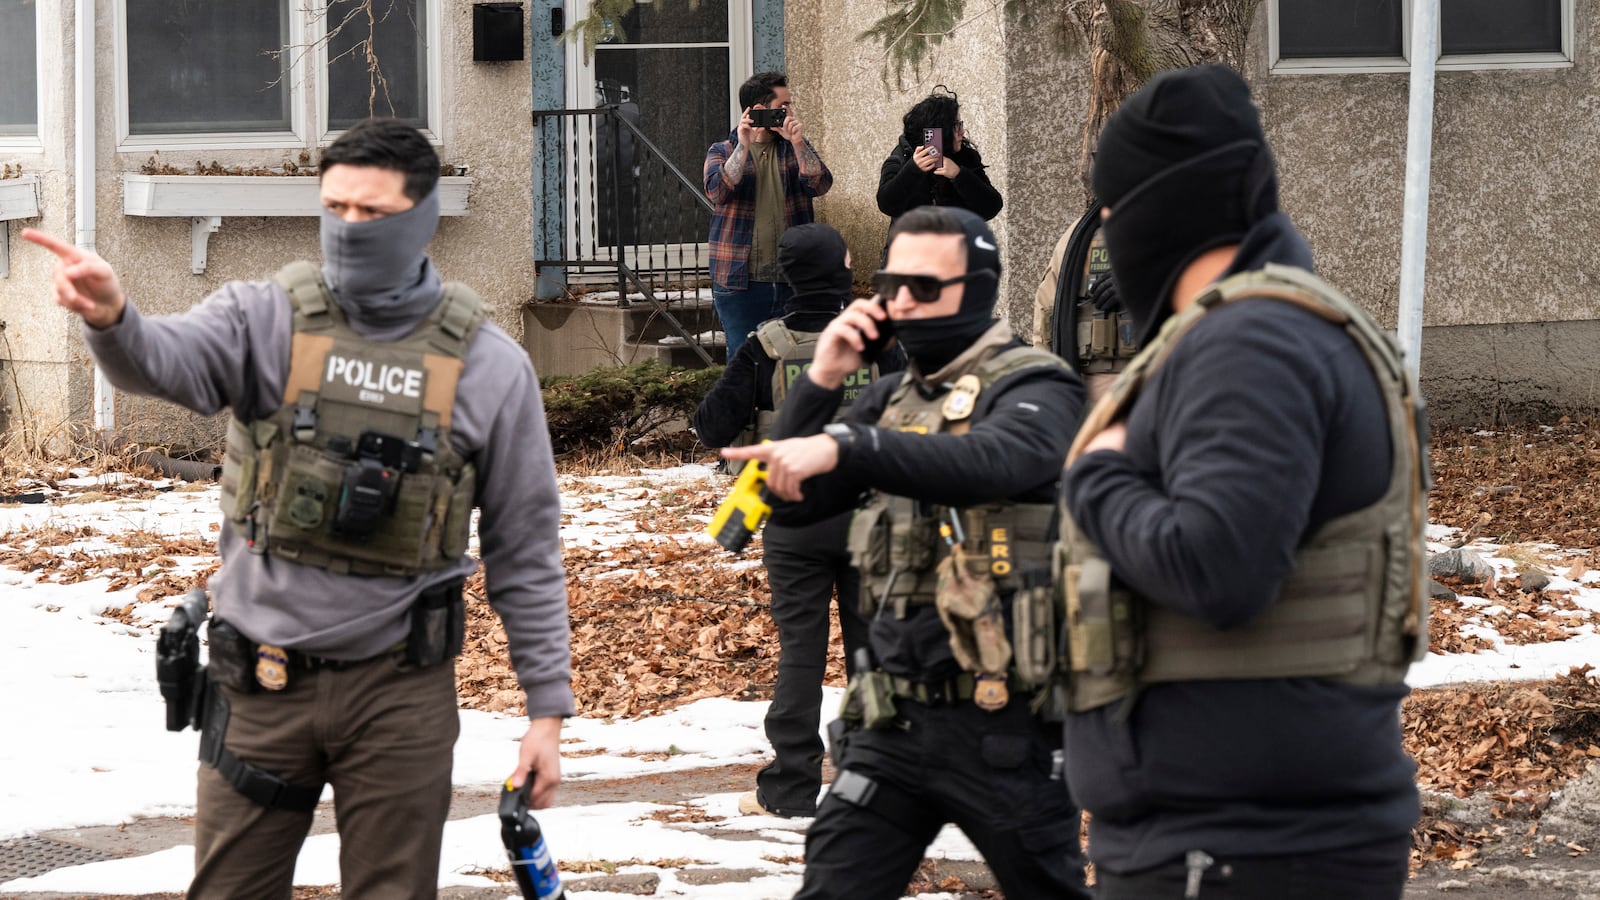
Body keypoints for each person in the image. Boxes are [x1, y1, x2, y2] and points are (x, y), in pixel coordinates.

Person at [23, 119, 571, 900]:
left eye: (371, 213)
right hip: (261, 682)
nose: (347, 229)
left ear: (421, 218)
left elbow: (526, 547)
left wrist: (545, 709)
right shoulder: (265, 317)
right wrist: (113, 319)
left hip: (401, 692)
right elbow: (166, 361)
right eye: (334, 208)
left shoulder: (488, 366)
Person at [1056, 65, 1428, 899]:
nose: (1109, 235)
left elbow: (1220, 564)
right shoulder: (1259, 331)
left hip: (1241, 853)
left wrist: (1100, 475)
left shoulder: (1249, 344)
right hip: (1233, 841)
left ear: (1158, 208)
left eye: (1110, 214)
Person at [724, 206, 1091, 900]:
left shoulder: (1036, 386)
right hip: (891, 728)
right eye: (893, 284)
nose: (902, 303)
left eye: (925, 287)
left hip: (1005, 729)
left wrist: (849, 444)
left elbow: (998, 461)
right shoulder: (890, 398)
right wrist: (825, 378)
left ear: (978, 288)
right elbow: (781, 502)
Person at [694, 223, 898, 818]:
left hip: (794, 523)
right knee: (873, 654)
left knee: (801, 655)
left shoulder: (765, 346)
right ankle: (876, 782)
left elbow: (710, 426)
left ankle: (788, 789)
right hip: (870, 517)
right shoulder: (877, 339)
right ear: (838, 267)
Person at [704, 71, 834, 357]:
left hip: (792, 278)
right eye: (784, 106)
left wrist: (799, 143)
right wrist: (743, 145)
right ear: (760, 110)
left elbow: (820, 184)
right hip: (739, 280)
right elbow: (718, 193)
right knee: (744, 360)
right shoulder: (722, 150)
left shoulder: (793, 150)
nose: (790, 111)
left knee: (794, 361)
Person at [876, 87, 1001, 259]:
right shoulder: (902, 157)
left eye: (961, 124)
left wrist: (959, 175)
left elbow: (991, 207)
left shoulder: (964, 158)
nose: (962, 131)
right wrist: (913, 170)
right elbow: (887, 203)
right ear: (939, 129)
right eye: (956, 125)